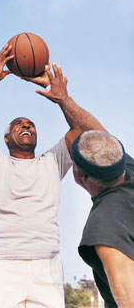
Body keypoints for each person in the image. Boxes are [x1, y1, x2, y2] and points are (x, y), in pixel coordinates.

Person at [0, 43, 105, 308]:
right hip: (2, 265)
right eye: (18, 124)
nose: (26, 125)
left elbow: (80, 134)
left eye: (31, 124)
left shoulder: (52, 160)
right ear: (6, 138)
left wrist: (62, 97)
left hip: (47, 264)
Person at [70, 130, 134, 308]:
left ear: (80, 175)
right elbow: (100, 135)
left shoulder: (104, 225)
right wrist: (64, 101)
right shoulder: (130, 172)